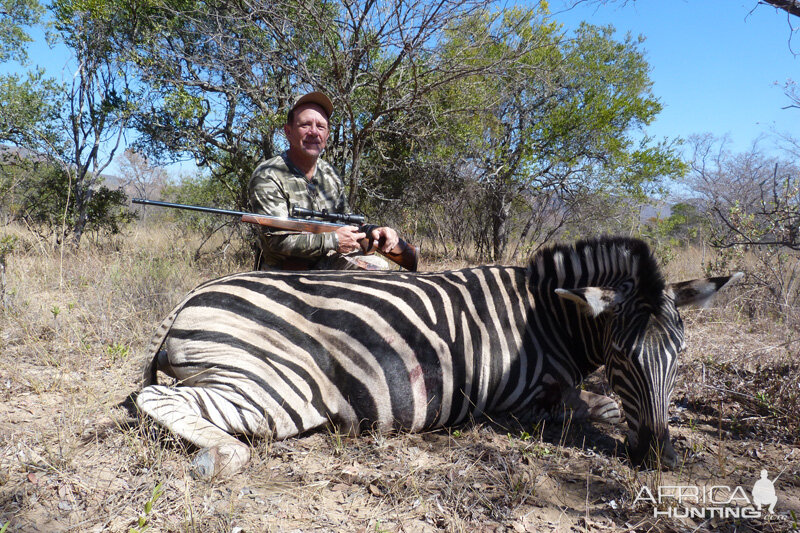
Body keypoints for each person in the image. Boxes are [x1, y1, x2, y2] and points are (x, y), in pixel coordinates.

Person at [248, 91, 399, 270]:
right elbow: (277, 241)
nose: (313, 132)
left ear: (327, 135)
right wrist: (333, 240)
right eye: (305, 125)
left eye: (320, 126)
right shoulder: (268, 175)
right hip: (285, 269)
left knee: (378, 267)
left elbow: (347, 222)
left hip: (329, 260)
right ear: (288, 132)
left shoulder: (330, 173)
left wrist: (372, 231)